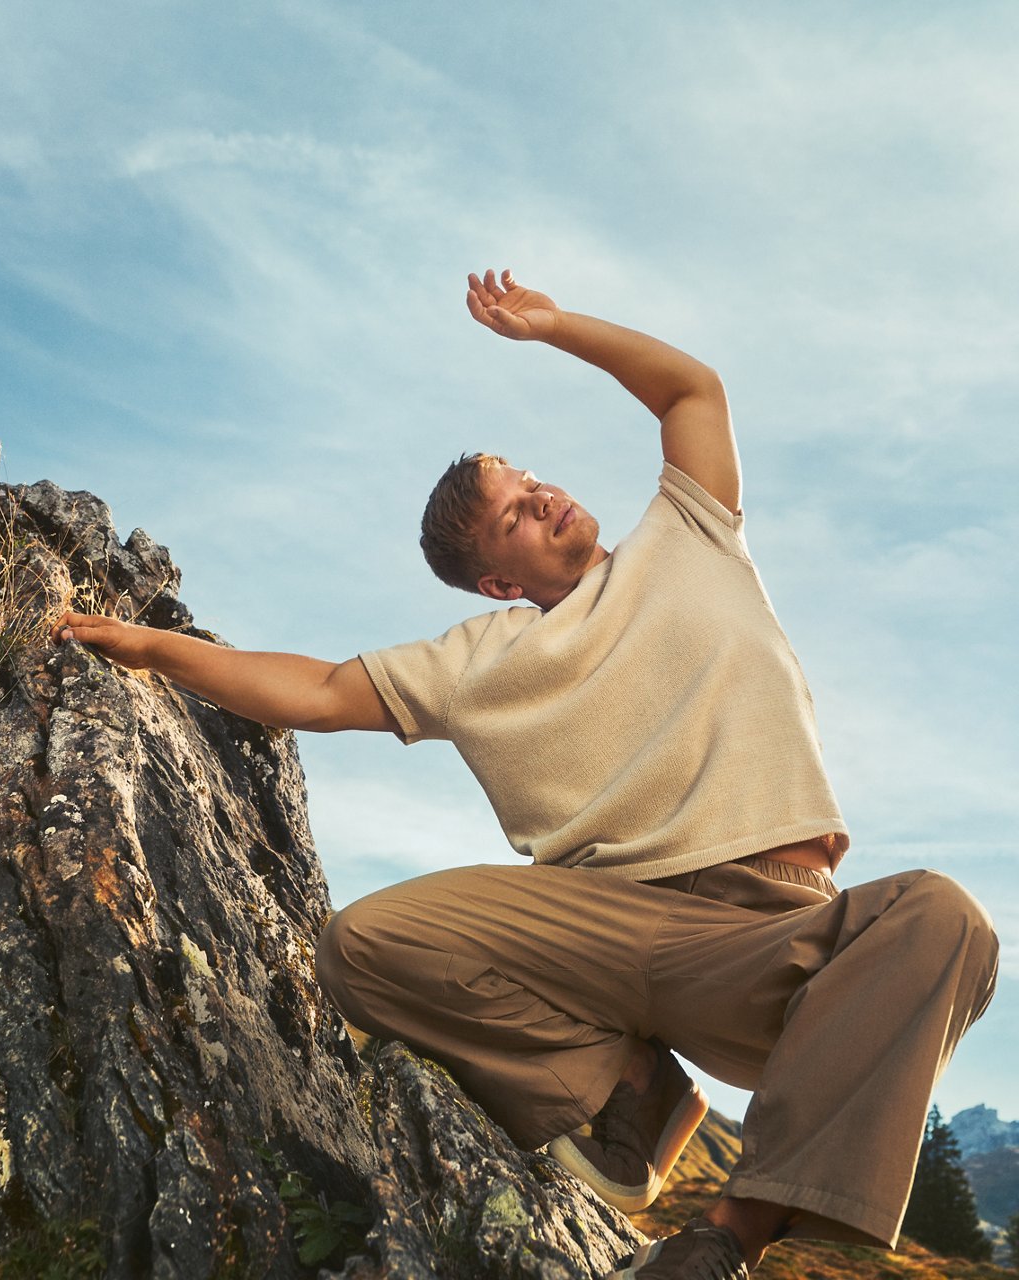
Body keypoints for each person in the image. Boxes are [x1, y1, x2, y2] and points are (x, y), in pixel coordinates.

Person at [53, 269, 999, 1280]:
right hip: (606, 929)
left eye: (530, 479)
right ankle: (628, 1088)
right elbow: (320, 689)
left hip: (769, 944)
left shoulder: (690, 536)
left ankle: (728, 1234)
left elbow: (692, 391)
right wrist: (152, 649)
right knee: (363, 943)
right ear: (501, 579)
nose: (541, 495)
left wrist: (552, 327)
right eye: (513, 514)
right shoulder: (479, 659)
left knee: (945, 918)